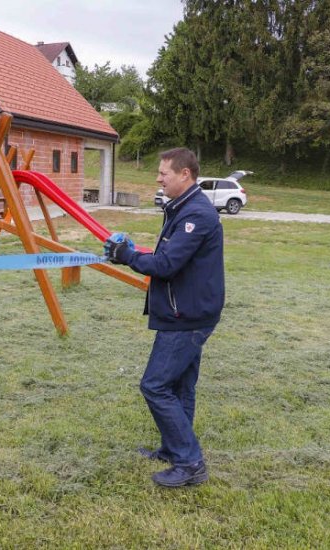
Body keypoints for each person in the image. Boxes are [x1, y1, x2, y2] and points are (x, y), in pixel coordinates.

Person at [105, 147, 224, 487]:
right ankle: (176, 449)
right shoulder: (182, 208)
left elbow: (166, 265)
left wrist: (125, 255)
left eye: (164, 173)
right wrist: (129, 252)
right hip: (186, 310)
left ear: (185, 175)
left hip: (188, 315)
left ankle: (190, 464)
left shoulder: (196, 215)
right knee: (180, 385)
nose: (158, 178)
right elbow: (169, 256)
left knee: (155, 386)